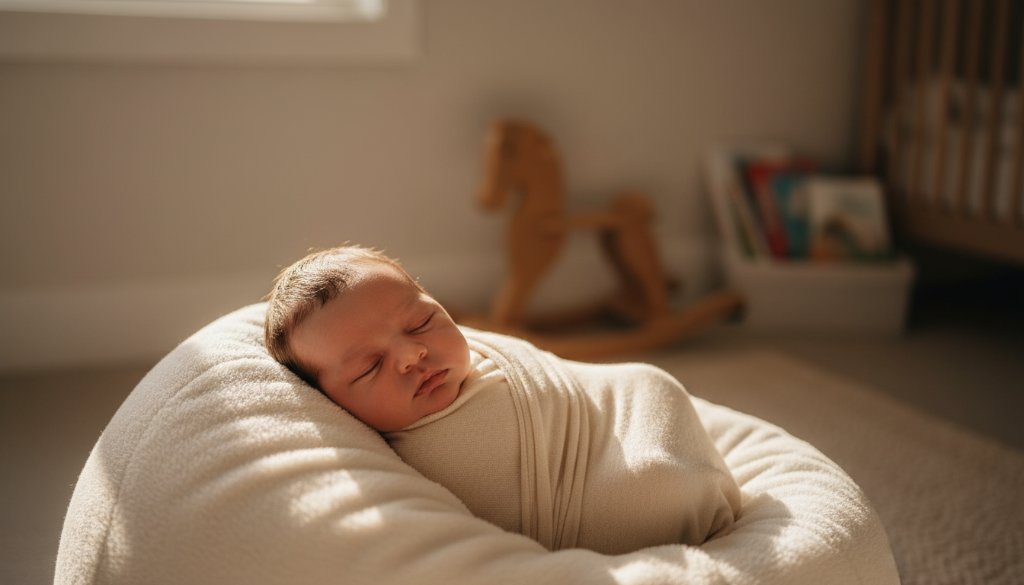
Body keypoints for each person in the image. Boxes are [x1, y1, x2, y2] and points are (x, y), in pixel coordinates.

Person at [265, 244, 741, 554]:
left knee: (648, 381)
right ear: (328, 400)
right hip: (593, 497)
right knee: (654, 491)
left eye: (421, 323)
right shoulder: (394, 462)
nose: (414, 355)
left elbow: (548, 369)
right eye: (369, 367)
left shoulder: (471, 348)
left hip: (614, 414)